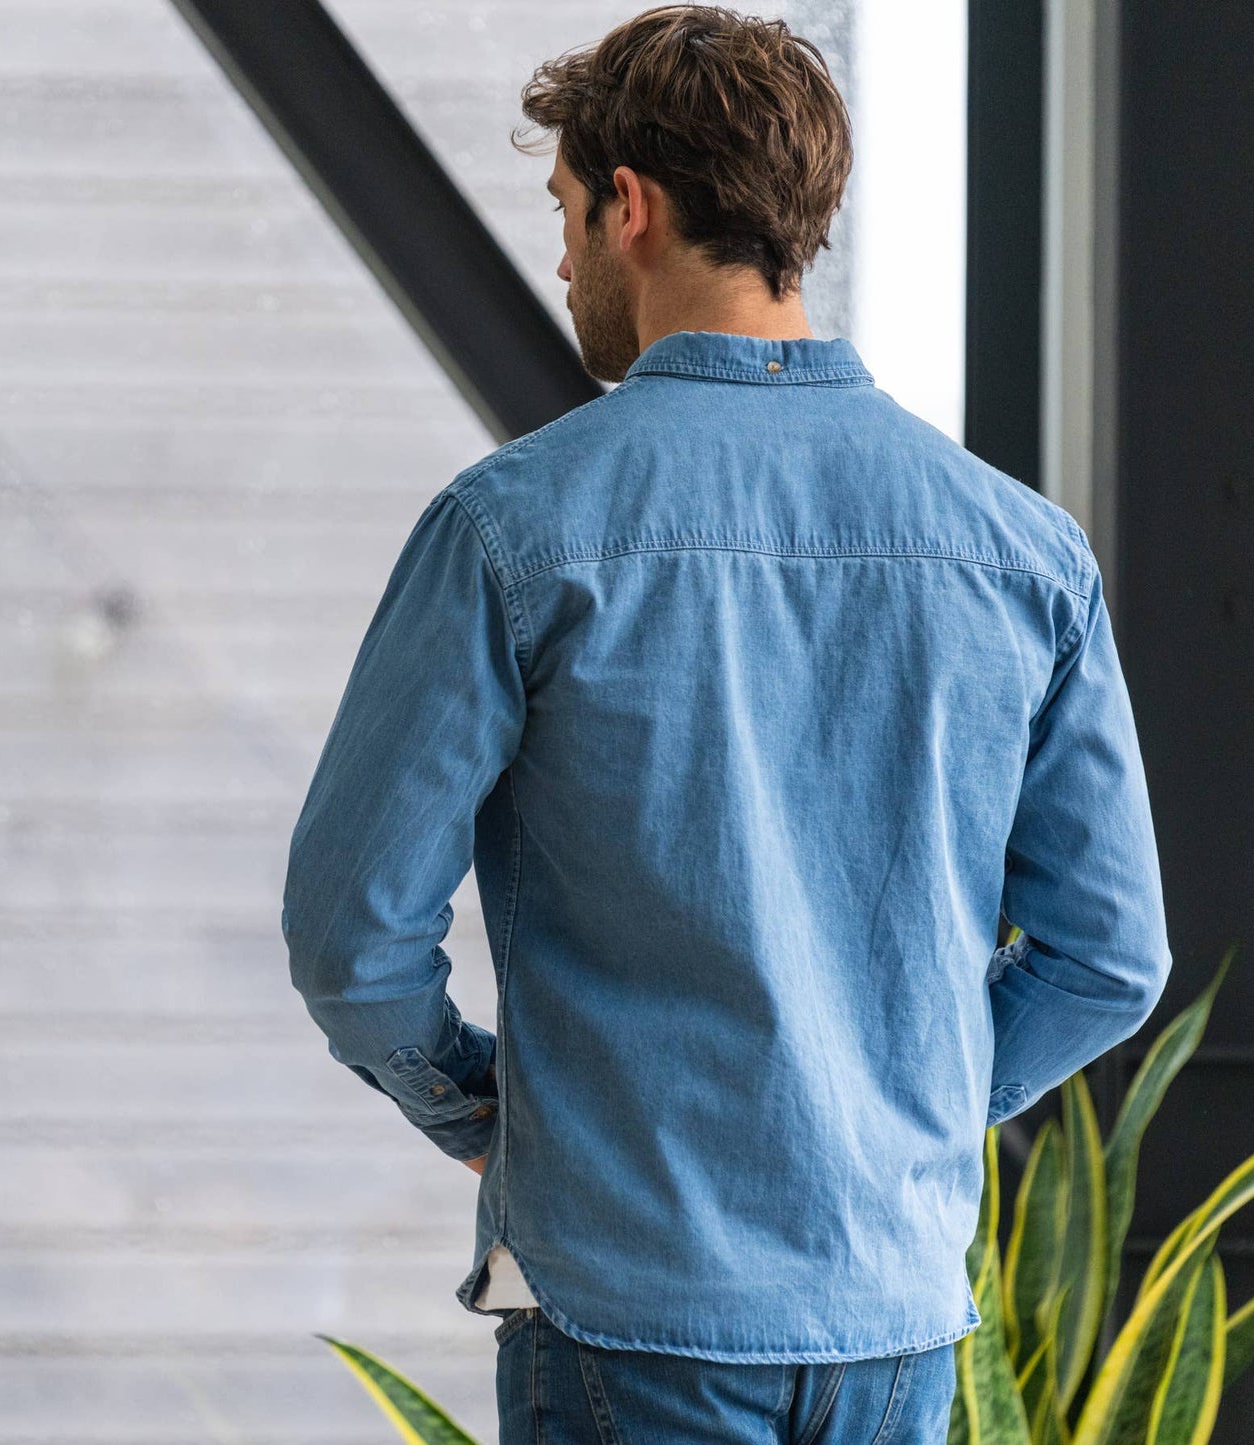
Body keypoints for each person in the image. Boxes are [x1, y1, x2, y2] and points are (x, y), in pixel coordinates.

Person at [280, 5, 1172, 1440]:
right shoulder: (1022, 550)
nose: (561, 257)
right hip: (893, 1327)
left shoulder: (514, 528)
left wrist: (481, 1116)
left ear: (629, 205)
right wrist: (903, 1115)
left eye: (565, 212)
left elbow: (348, 934)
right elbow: (1107, 956)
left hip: (629, 1323)